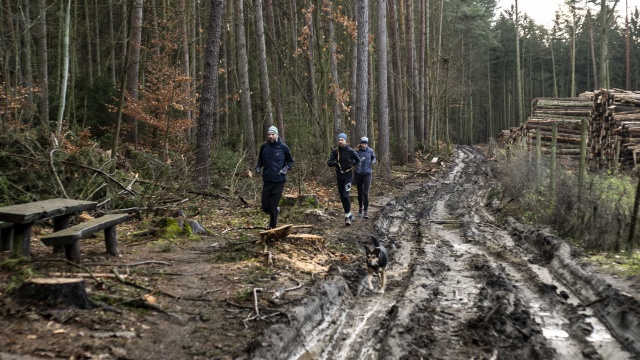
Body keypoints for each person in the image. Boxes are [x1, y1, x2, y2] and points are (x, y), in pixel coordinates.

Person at [255, 126, 294, 229]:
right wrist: (258, 167)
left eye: (272, 134)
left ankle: (272, 229)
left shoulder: (283, 147)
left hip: (279, 181)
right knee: (265, 207)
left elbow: (290, 161)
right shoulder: (264, 147)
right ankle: (276, 210)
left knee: (272, 206)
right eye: (269, 134)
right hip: (267, 180)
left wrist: (286, 168)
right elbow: (260, 160)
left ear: (277, 135)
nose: (270, 136)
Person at [327, 133, 361, 226]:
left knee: (346, 196)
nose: (340, 141)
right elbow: (329, 162)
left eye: (342, 140)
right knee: (342, 197)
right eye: (339, 140)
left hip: (348, 176)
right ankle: (349, 215)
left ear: (346, 141)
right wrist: (335, 163)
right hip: (339, 177)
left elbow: (358, 160)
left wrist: (352, 164)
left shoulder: (351, 151)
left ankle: (347, 218)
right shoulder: (335, 151)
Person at [355, 136, 376, 219]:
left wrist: (372, 162)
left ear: (367, 144)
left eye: (365, 144)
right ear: (361, 143)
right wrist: (358, 161)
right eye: (362, 144)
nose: (364, 145)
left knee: (365, 193)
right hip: (358, 174)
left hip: (367, 173)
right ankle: (360, 207)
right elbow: (353, 160)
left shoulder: (370, 151)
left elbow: (374, 158)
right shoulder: (357, 151)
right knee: (359, 193)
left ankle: (366, 212)